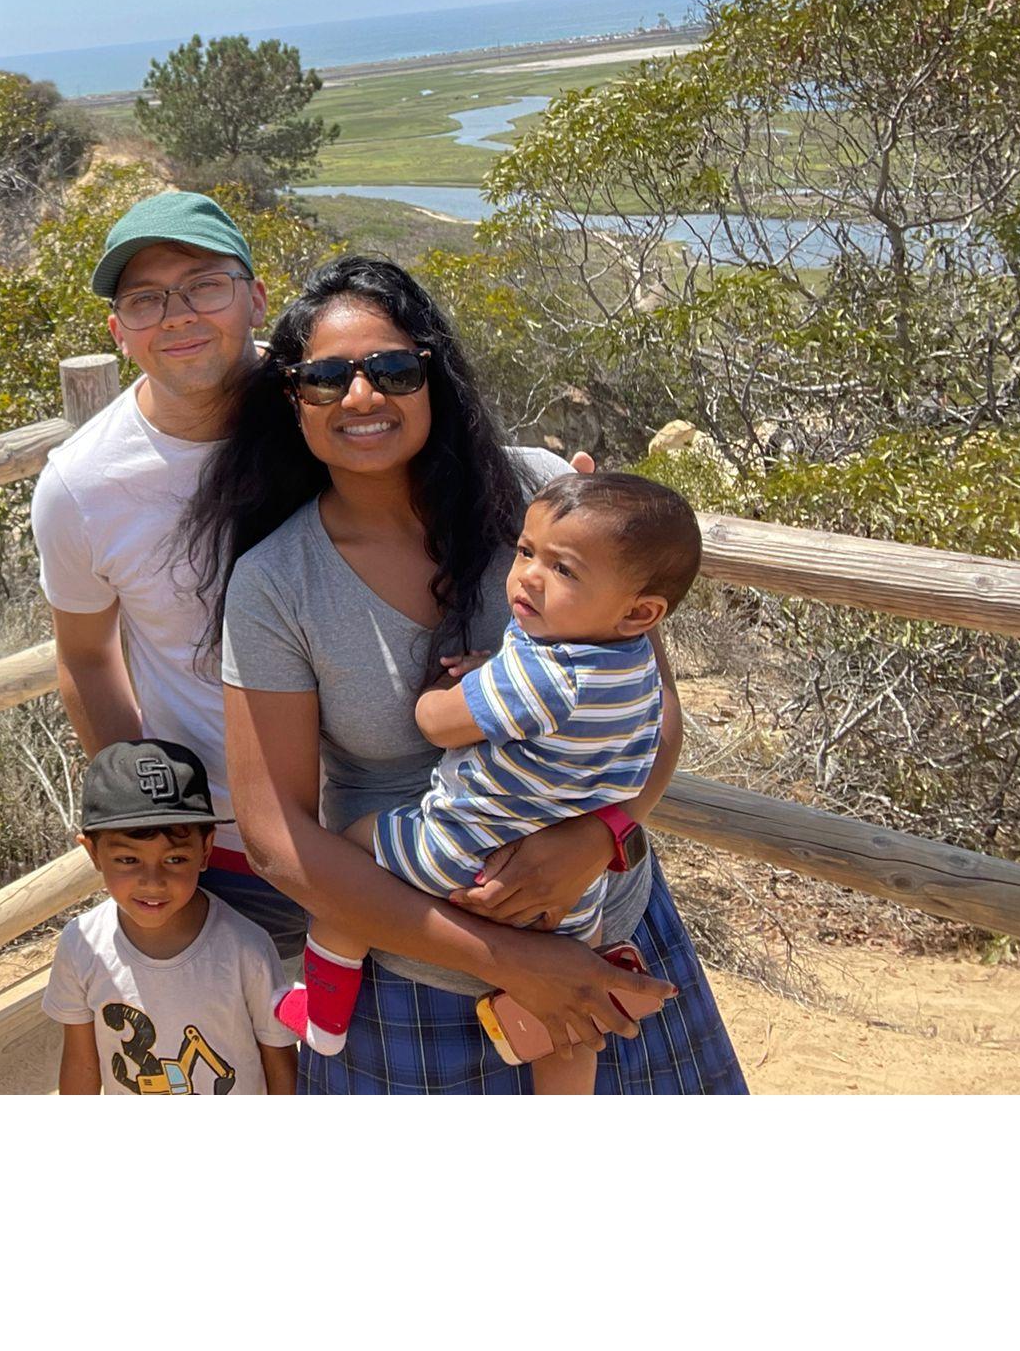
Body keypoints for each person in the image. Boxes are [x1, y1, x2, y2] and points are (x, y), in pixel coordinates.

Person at [189, 254, 747, 1094]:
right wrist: (518, 959)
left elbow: (650, 708)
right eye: (328, 377)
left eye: (392, 368)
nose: (363, 396)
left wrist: (600, 838)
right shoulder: (278, 583)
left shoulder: (540, 497)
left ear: (432, 373)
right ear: (292, 400)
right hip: (420, 982)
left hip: (607, 931)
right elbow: (279, 840)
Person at [298, 471, 702, 1094]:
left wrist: (446, 689)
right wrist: (496, 671)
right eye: (525, 551)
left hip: (462, 854)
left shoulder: (545, 679)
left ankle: (321, 1006)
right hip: (572, 890)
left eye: (564, 570)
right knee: (570, 1017)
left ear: (639, 611)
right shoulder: (631, 667)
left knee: (350, 851)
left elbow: (437, 725)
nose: (530, 576)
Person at [31, 190, 308, 956]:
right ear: (120, 334)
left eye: (204, 286)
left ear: (255, 298)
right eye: (146, 300)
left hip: (401, 810)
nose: (178, 315)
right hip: (231, 848)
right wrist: (155, 821)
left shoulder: (329, 407)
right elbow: (85, 656)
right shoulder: (81, 487)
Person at [44, 739, 296, 1095]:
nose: (153, 882)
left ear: (205, 849)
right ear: (93, 853)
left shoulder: (246, 948)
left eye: (174, 859)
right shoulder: (81, 945)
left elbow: (280, 1062)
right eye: (128, 860)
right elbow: (81, 1064)